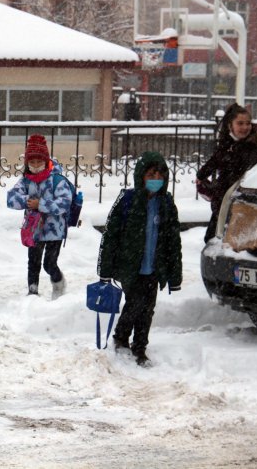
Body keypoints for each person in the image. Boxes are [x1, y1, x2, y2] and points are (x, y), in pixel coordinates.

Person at [97, 151, 182, 367]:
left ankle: (140, 347)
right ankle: (121, 337)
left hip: (153, 268)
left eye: (159, 176)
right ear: (141, 176)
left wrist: (174, 275)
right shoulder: (128, 201)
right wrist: (106, 270)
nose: (155, 180)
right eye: (150, 175)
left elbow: (173, 242)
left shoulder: (166, 205)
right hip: (130, 266)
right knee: (135, 304)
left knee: (148, 309)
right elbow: (111, 236)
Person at [7, 134, 73, 299]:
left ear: (46, 161)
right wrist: (28, 201)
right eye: (32, 162)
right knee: (33, 262)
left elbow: (64, 203)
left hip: (54, 230)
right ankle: (33, 291)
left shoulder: (57, 180)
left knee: (49, 264)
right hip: (34, 229)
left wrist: (41, 204)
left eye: (39, 162)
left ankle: (58, 282)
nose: (35, 166)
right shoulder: (26, 181)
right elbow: (11, 199)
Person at [197, 103, 257, 243]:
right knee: (212, 240)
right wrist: (201, 176)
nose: (245, 127)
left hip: (240, 202)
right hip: (223, 200)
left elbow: (241, 171)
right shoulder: (228, 142)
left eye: (248, 123)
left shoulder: (254, 147)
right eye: (240, 123)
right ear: (230, 125)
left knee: (230, 241)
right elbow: (216, 159)